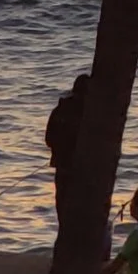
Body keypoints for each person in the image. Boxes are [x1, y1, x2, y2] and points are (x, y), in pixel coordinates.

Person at [46, 74, 90, 231]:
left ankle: (65, 236)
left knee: (63, 205)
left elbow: (49, 139)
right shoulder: (88, 113)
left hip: (62, 164)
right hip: (80, 168)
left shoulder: (60, 109)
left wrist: (59, 150)